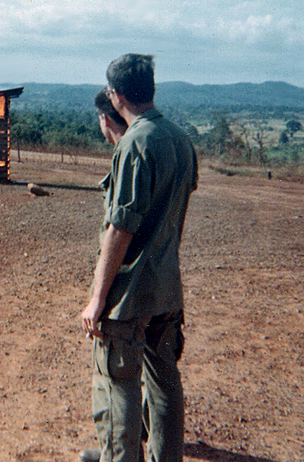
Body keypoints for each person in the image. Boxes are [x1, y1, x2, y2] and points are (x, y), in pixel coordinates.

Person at [81, 54, 198, 462]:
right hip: (167, 288)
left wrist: (98, 298)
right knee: (165, 383)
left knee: (118, 383)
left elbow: (120, 228)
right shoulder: (180, 139)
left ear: (115, 96)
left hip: (130, 292)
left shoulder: (134, 143)